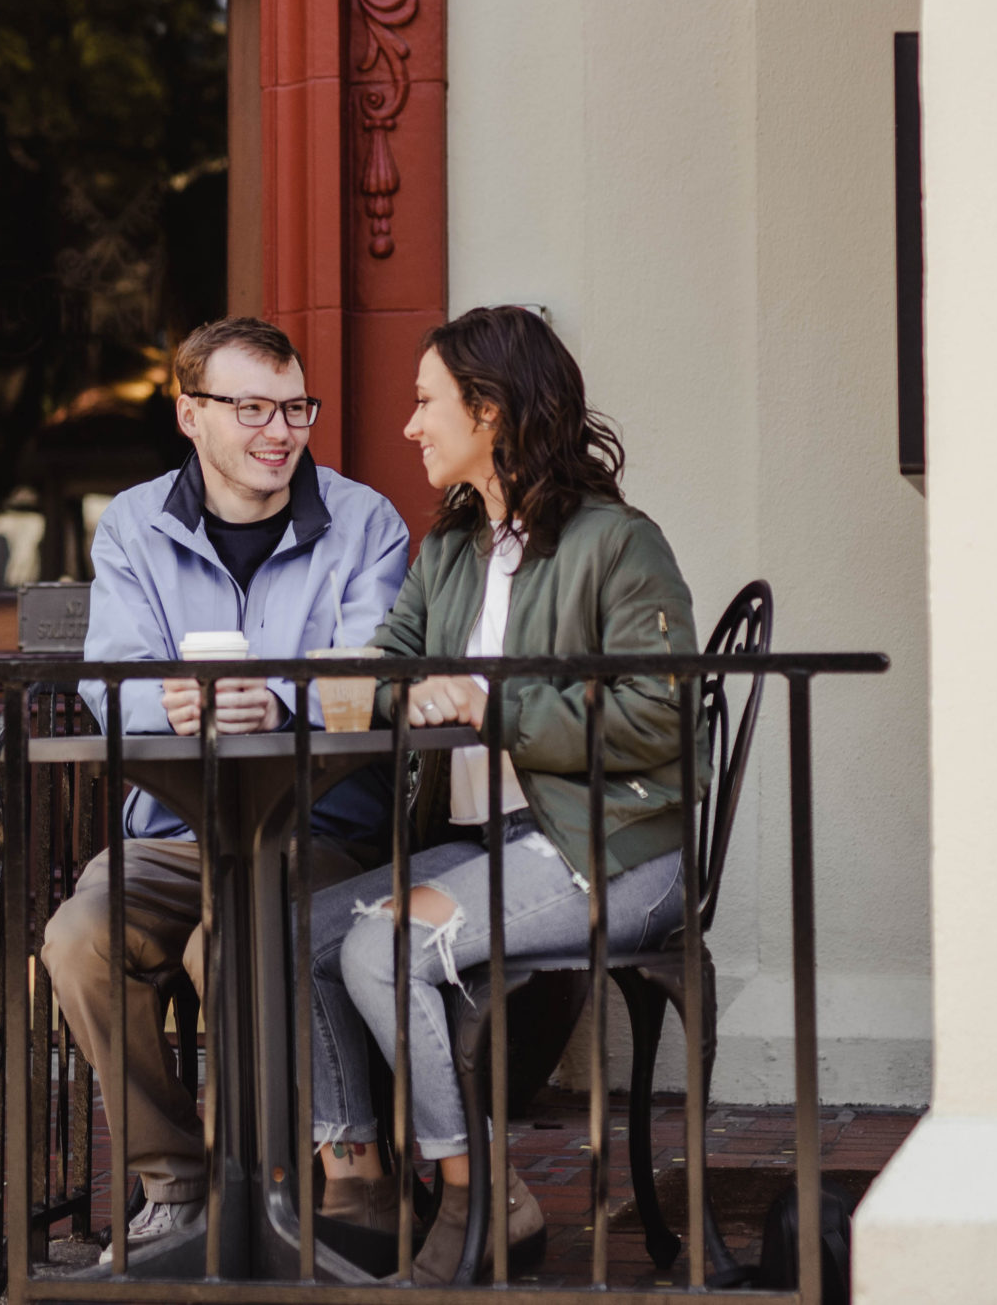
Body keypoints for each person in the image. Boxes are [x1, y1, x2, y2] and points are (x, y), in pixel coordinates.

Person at [301, 305, 699, 1283]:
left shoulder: (616, 541)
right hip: (492, 845)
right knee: (296, 929)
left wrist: (491, 702)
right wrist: (404, 685)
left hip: (615, 850)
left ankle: (476, 1198)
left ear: (488, 410)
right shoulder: (449, 548)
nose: (410, 424)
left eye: (426, 401)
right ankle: (358, 1186)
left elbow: (660, 716)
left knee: (382, 945)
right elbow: (392, 662)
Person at [43, 316, 412, 1254]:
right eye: (250, 407)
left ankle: (281, 1189)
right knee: (79, 936)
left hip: (318, 826)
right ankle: (178, 1181)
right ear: (190, 414)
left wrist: (279, 704)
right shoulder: (133, 522)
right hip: (174, 826)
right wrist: (176, 709)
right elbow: (109, 680)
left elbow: (373, 674)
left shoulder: (367, 523)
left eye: (294, 407)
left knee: (233, 940)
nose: (278, 431)